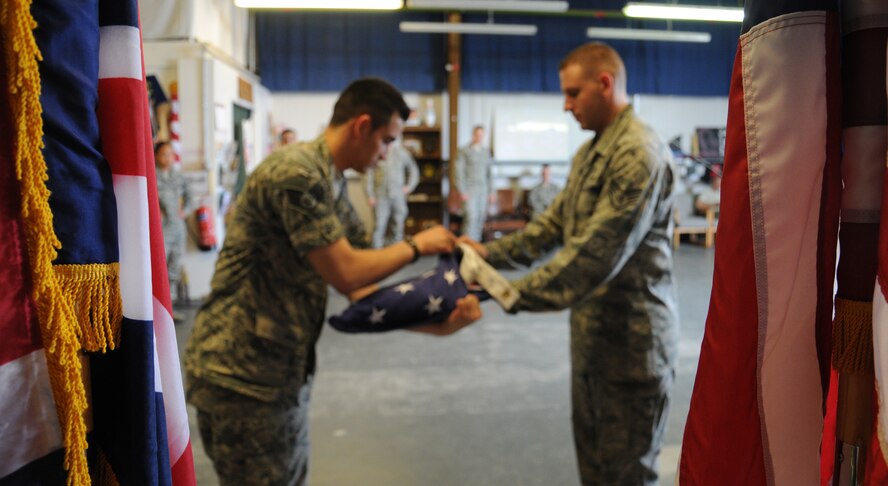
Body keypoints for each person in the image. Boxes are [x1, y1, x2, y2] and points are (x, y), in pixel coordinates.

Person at [184, 78, 481, 486]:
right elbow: (346, 271)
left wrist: (437, 320)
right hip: (241, 377)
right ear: (362, 126)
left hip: (277, 373)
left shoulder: (330, 180)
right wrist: (417, 246)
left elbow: (361, 286)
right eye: (386, 141)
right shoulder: (295, 173)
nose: (386, 154)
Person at [459, 43, 678, 485]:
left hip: (633, 350)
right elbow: (552, 227)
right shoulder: (589, 154)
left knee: (627, 477)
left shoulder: (637, 154)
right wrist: (486, 255)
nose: (566, 105)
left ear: (605, 84)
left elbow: (594, 257)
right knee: (595, 473)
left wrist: (505, 291)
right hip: (593, 344)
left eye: (573, 93)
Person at [366, 137, 420, 248]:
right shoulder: (376, 152)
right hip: (380, 196)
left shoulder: (401, 153)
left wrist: (409, 187)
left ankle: (396, 253)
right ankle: (376, 254)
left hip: (398, 196)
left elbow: (413, 170)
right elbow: (368, 174)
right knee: (379, 226)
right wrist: (370, 195)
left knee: (398, 225)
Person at [154, 141, 192, 298]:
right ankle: (159, 304)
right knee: (159, 267)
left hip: (177, 228)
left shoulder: (179, 176)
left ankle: (170, 305)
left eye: (170, 154)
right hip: (161, 229)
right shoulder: (151, 176)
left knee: (174, 267)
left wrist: (185, 211)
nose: (168, 158)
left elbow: (190, 197)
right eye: (164, 154)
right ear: (156, 156)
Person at [454, 125, 493, 240]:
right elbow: (458, 172)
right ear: (473, 135)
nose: (479, 137)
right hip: (469, 190)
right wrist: (462, 191)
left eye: (482, 135)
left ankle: (475, 245)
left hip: (483, 190)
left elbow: (489, 173)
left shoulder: (486, 152)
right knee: (471, 218)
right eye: (477, 135)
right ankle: (466, 246)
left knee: (480, 218)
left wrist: (491, 192)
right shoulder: (464, 151)